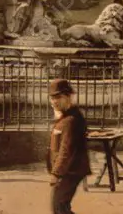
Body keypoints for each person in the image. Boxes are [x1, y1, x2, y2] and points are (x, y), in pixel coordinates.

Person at [47, 79, 90, 214]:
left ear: (68, 97)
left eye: (59, 97)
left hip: (70, 170)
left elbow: (66, 150)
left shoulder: (71, 120)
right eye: (52, 98)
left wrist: (56, 173)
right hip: (69, 169)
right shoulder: (66, 116)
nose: (55, 102)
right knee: (61, 207)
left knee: (59, 207)